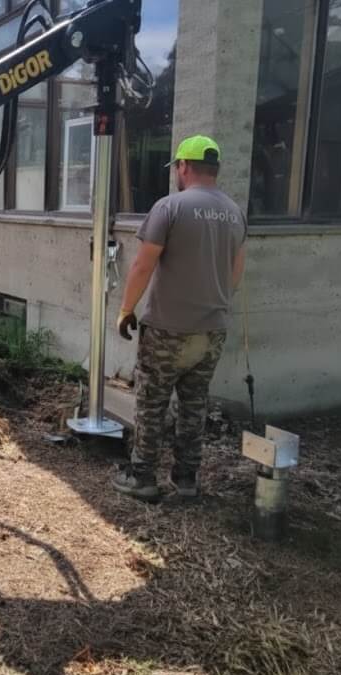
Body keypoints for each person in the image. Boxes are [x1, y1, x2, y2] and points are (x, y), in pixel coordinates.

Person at [113, 135, 247, 502]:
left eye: (176, 167)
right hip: (213, 330)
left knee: (152, 402)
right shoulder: (235, 212)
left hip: (168, 329)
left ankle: (142, 477)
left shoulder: (169, 207)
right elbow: (236, 271)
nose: (176, 172)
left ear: (183, 167)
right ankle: (186, 479)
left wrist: (126, 309)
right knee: (194, 403)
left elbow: (143, 263)